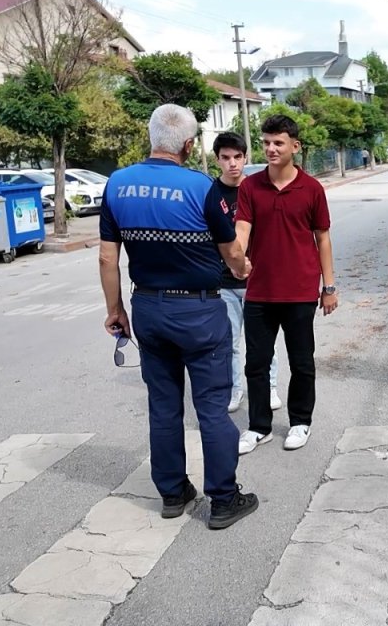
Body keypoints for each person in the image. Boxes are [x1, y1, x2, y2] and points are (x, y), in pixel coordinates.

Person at [98, 104, 258, 531]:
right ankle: (223, 499)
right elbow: (231, 252)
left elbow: (107, 257)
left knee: (164, 405)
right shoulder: (200, 187)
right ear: (188, 145)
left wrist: (116, 310)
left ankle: (172, 492)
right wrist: (242, 268)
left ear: (152, 137)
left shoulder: (118, 184)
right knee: (210, 406)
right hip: (199, 311)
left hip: (148, 308)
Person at [234, 114, 338, 455]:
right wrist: (237, 256)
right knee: (256, 363)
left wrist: (329, 287)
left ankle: (300, 422)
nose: (271, 148)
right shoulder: (250, 187)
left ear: (295, 146)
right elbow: (243, 229)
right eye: (266, 143)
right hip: (260, 291)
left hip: (300, 291)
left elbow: (322, 238)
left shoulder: (311, 189)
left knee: (301, 362)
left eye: (278, 143)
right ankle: (258, 426)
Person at [209, 131, 282, 415]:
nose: (232, 164)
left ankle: (270, 386)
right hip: (223, 283)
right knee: (231, 343)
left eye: (237, 157)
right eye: (225, 158)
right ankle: (235, 389)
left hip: (258, 282)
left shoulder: (257, 189)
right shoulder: (210, 193)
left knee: (262, 342)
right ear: (217, 160)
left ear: (245, 158)